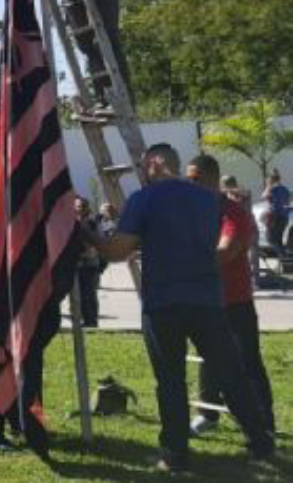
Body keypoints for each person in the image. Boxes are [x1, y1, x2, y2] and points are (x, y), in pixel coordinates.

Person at [90, 143, 274, 471]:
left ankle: (175, 455)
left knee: (171, 381)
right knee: (232, 374)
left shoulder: (143, 199)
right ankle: (261, 442)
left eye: (146, 165)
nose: (143, 171)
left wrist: (84, 236)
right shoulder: (209, 200)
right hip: (208, 300)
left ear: (155, 164)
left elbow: (117, 251)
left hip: (164, 303)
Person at [185, 155, 275, 439]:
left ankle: (264, 424)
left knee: (248, 361)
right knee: (207, 359)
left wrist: (178, 260)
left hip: (235, 301)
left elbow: (225, 253)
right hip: (202, 301)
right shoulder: (190, 212)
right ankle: (208, 414)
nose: (191, 184)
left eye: (196, 179)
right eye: (188, 179)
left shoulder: (233, 213)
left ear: (213, 179)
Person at [73, 197, 105, 328]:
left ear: (87, 208)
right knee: (77, 296)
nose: (79, 209)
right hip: (75, 266)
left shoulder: (93, 223)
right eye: (78, 206)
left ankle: (91, 322)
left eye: (82, 206)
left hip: (90, 265)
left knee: (89, 295)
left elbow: (100, 242)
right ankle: (80, 320)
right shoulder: (71, 223)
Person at [260, 171, 289, 257]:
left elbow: (263, 196)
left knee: (270, 239)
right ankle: (285, 262)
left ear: (270, 180)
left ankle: (284, 256)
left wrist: (268, 186)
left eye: (267, 179)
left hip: (274, 216)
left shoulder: (272, 188)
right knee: (279, 240)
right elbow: (287, 202)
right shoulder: (285, 189)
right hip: (284, 216)